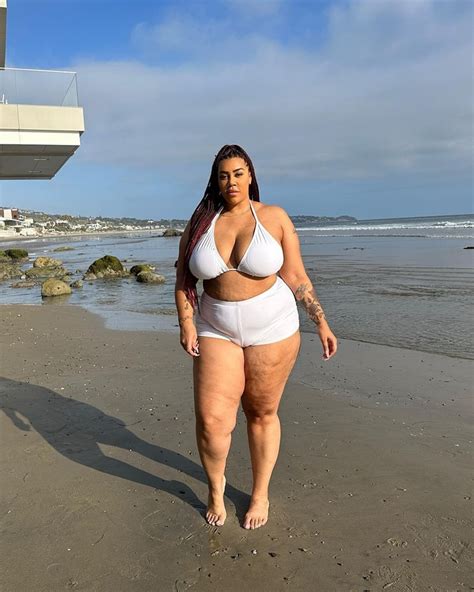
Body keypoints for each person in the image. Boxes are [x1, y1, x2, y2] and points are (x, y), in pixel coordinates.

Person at [174, 144, 337, 530]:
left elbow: (295, 275)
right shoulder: (201, 222)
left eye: (237, 173)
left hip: (273, 327)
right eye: (223, 175)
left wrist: (321, 321)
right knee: (212, 420)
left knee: (261, 413)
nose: (231, 181)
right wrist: (186, 323)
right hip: (216, 327)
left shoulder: (274, 217)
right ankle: (216, 488)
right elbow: (184, 279)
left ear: (250, 176)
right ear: (216, 181)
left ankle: (259, 493)